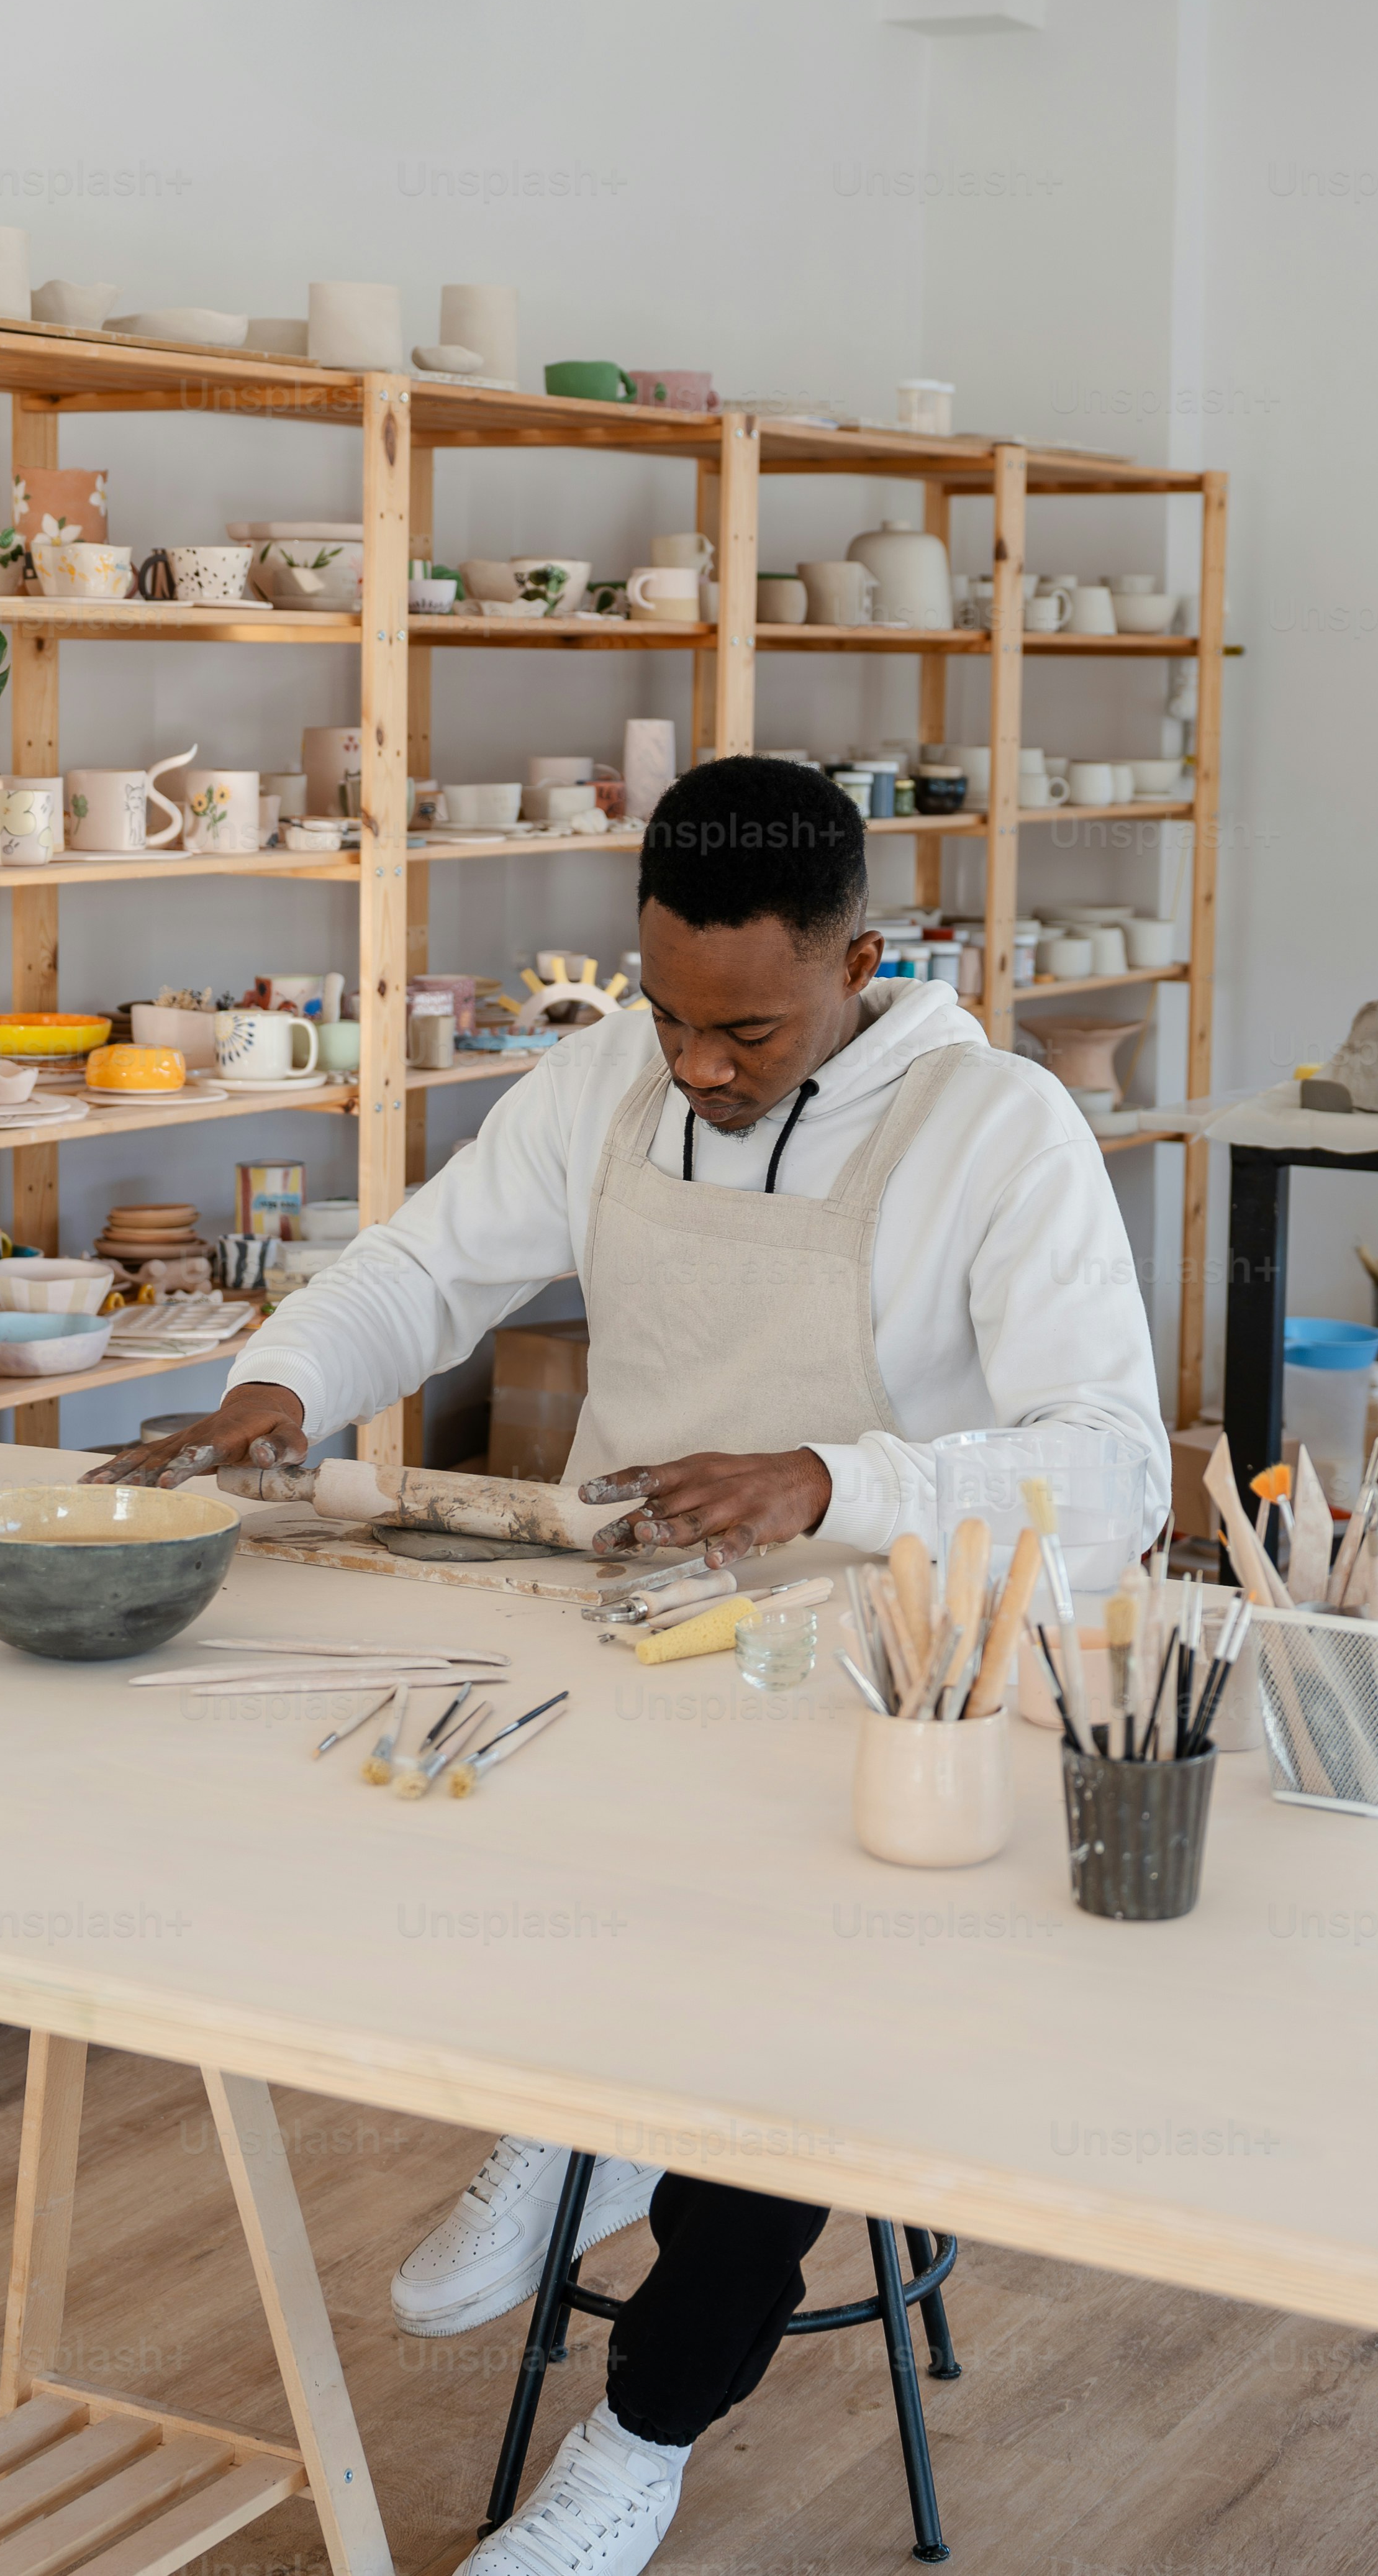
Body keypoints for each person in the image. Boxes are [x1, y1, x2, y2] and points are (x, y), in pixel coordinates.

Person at [92, 753, 1167, 2576]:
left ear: (864, 960)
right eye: (669, 1013)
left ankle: (642, 2436)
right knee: (465, 1854)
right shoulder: (610, 1073)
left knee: (778, 2049)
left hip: (870, 1673)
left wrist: (833, 1477)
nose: (698, 1066)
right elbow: (427, 1268)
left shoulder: (999, 1129)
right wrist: (271, 1391)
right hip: (629, 1629)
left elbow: (1119, 1467)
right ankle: (565, 2121)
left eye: (745, 1031)